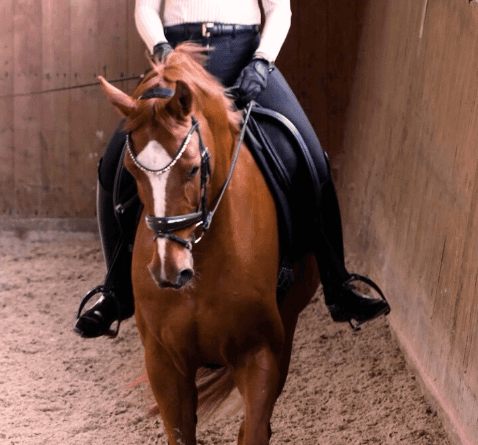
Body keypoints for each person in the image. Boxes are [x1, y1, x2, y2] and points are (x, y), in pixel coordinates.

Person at [73, 0, 389, 338]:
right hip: (178, 61)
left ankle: (338, 285)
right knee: (113, 163)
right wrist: (161, 47)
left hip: (243, 55)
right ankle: (116, 292)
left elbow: (280, 10)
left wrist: (262, 61)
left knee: (311, 156)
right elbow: (146, 9)